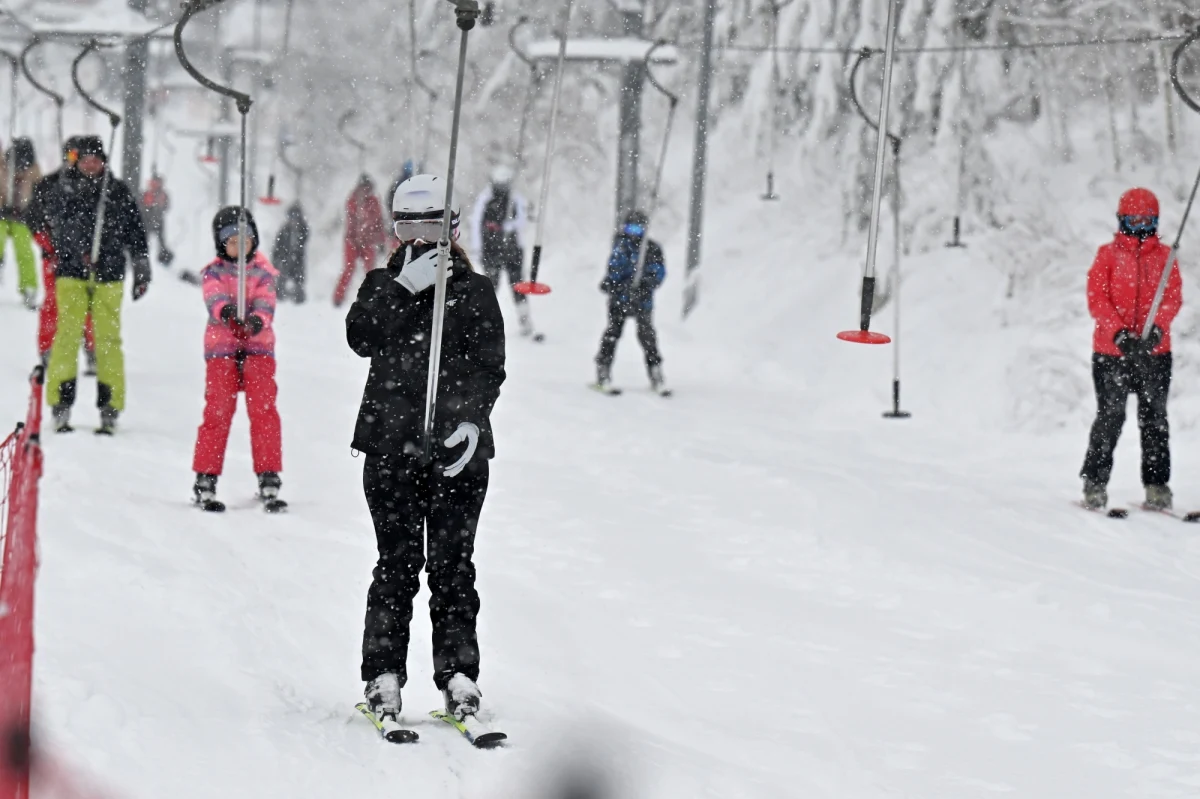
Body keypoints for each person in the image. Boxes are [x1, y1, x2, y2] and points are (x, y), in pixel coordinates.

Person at [346, 174, 505, 728]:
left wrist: (469, 420)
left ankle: (459, 675)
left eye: (432, 223)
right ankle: (383, 676)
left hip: (457, 457)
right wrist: (402, 289)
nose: (420, 236)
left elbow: (489, 365)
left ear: (452, 226)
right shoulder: (378, 285)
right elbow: (360, 336)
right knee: (396, 566)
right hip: (391, 450)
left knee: (453, 567)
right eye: (408, 225)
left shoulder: (477, 290)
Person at [25, 135, 151, 434]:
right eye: (85, 159)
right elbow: (45, 219)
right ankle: (61, 402)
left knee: (107, 338)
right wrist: (57, 247)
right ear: (76, 161)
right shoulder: (61, 188)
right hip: (71, 272)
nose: (90, 164)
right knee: (67, 334)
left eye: (96, 159)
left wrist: (141, 264)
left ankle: (109, 404)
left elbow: (135, 231)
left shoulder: (116, 192)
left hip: (109, 274)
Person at [1081, 187, 1182, 511]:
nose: (1140, 228)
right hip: (1112, 355)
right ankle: (1094, 483)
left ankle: (1156, 485)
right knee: (1110, 417)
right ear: (1121, 220)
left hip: (1155, 355)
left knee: (1155, 420)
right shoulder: (1106, 255)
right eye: (1133, 220)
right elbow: (1098, 299)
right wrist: (1119, 335)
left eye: (1146, 221)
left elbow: (1172, 298)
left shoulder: (1166, 257)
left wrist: (1156, 330)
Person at [192, 207, 285, 512]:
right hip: (223, 348)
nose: (240, 244)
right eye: (231, 240)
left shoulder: (264, 272)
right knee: (218, 410)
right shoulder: (214, 272)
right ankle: (206, 475)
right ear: (221, 244)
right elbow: (214, 297)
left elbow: (266, 301)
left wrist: (256, 320)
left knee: (263, 411)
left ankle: (268, 473)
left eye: (245, 238)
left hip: (258, 349)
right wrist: (228, 313)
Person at [594, 210, 668, 395]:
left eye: (638, 228)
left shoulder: (651, 249)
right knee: (612, 333)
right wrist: (614, 284)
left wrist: (646, 284)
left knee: (647, 336)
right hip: (620, 300)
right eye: (630, 228)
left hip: (642, 300)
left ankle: (656, 372)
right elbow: (614, 270)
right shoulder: (621, 247)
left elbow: (658, 272)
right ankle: (603, 370)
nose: (633, 233)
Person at [470, 164, 539, 339]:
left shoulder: (516, 199)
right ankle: (483, 323)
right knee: (491, 288)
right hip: (490, 251)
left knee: (518, 287)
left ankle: (525, 321)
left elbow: (523, 220)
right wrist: (478, 248)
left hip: (512, 251)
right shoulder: (485, 200)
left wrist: (510, 226)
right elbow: (476, 224)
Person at [0, 137, 43, 310]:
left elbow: (39, 194)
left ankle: (29, 287)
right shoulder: (4, 167)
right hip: (2, 214)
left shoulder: (33, 172)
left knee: (24, 252)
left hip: (22, 217)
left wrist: (32, 212)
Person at [333, 174, 387, 307]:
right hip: (352, 241)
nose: (365, 191)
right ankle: (338, 298)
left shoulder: (374, 201)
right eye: (364, 188)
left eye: (368, 188)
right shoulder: (353, 200)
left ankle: (372, 296)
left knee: (370, 271)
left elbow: (379, 222)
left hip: (367, 242)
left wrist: (381, 239)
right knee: (349, 268)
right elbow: (353, 219)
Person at [272, 202, 310, 304]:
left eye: (296, 217)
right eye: (292, 217)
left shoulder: (302, 230)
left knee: (299, 278)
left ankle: (298, 295)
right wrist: (276, 262)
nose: (293, 220)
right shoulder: (284, 230)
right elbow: (277, 248)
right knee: (282, 275)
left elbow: (304, 241)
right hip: (284, 259)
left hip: (298, 260)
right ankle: (280, 293)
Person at [141, 173, 175, 266]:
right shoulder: (146, 194)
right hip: (147, 221)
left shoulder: (163, 195)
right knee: (144, 240)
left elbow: (166, 206)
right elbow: (141, 206)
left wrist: (158, 206)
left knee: (161, 241)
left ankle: (163, 258)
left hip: (158, 221)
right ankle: (143, 258)